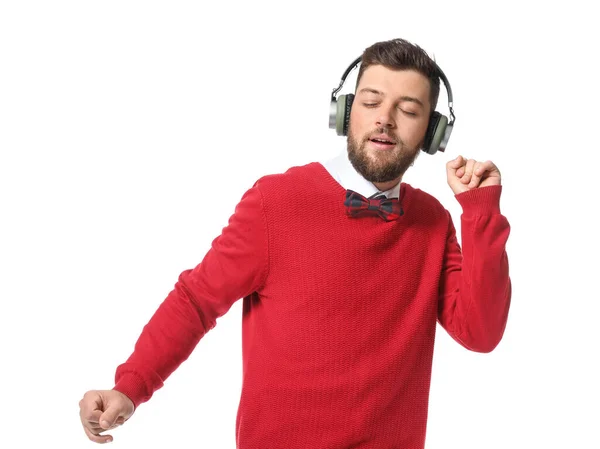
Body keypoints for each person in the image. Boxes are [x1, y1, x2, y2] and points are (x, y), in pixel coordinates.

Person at [79, 38, 511, 448]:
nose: (385, 118)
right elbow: (196, 301)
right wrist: (130, 388)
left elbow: (480, 332)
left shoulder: (433, 222)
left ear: (433, 134)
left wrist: (481, 212)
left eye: (409, 110)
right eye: (371, 101)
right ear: (345, 111)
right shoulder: (276, 202)